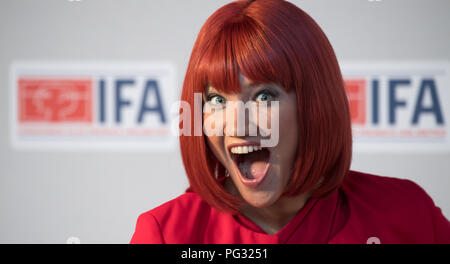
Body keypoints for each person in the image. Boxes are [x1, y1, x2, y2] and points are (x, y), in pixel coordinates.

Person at [130, 0, 450, 243]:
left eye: (264, 97)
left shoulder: (408, 213)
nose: (237, 125)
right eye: (217, 100)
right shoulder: (167, 233)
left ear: (315, 104)